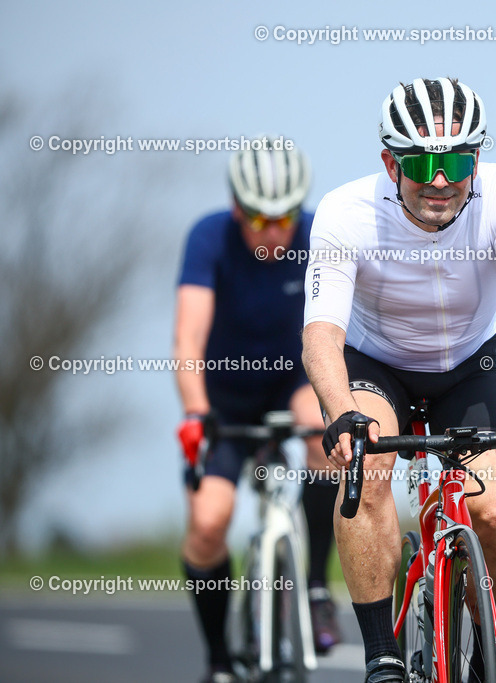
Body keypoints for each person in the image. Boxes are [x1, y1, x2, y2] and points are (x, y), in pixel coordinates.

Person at [302, 77, 496, 683]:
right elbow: (321, 336)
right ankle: (382, 656)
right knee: (367, 467)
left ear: (476, 160)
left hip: (470, 362)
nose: (440, 180)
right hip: (376, 364)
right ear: (391, 164)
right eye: (421, 163)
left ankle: (489, 659)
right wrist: (339, 411)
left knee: (494, 512)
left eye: (456, 162)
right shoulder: (344, 211)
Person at [174, 140, 343, 683]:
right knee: (208, 522)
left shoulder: (319, 235)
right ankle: (218, 660)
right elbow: (188, 338)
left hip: (291, 381)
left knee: (323, 434)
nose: (272, 232)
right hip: (223, 398)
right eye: (257, 219)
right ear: (235, 207)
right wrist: (196, 411)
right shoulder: (208, 238)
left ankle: (315, 586)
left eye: (284, 218)